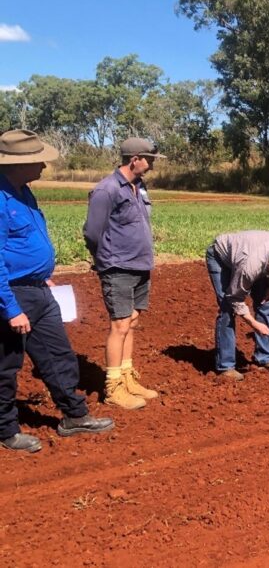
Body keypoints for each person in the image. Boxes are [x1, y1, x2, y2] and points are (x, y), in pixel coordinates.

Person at [0, 129, 114, 453]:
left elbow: (25, 243)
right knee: (7, 367)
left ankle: (74, 416)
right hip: (11, 293)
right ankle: (6, 430)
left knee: (59, 355)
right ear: (19, 163)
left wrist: (41, 274)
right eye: (40, 161)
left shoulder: (23, 192)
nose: (45, 168)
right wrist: (10, 308)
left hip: (38, 289)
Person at [83, 137, 165, 410]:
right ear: (135, 159)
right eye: (149, 160)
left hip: (141, 265)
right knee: (119, 325)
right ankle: (113, 387)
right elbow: (93, 232)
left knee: (131, 321)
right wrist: (106, 259)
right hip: (118, 267)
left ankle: (127, 378)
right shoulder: (107, 190)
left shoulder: (138, 186)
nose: (152, 165)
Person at [206, 231, 269, 379]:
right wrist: (253, 323)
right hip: (221, 257)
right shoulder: (250, 267)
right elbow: (234, 298)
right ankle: (226, 366)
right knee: (227, 309)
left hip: (252, 253)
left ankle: (266, 357)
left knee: (266, 303)